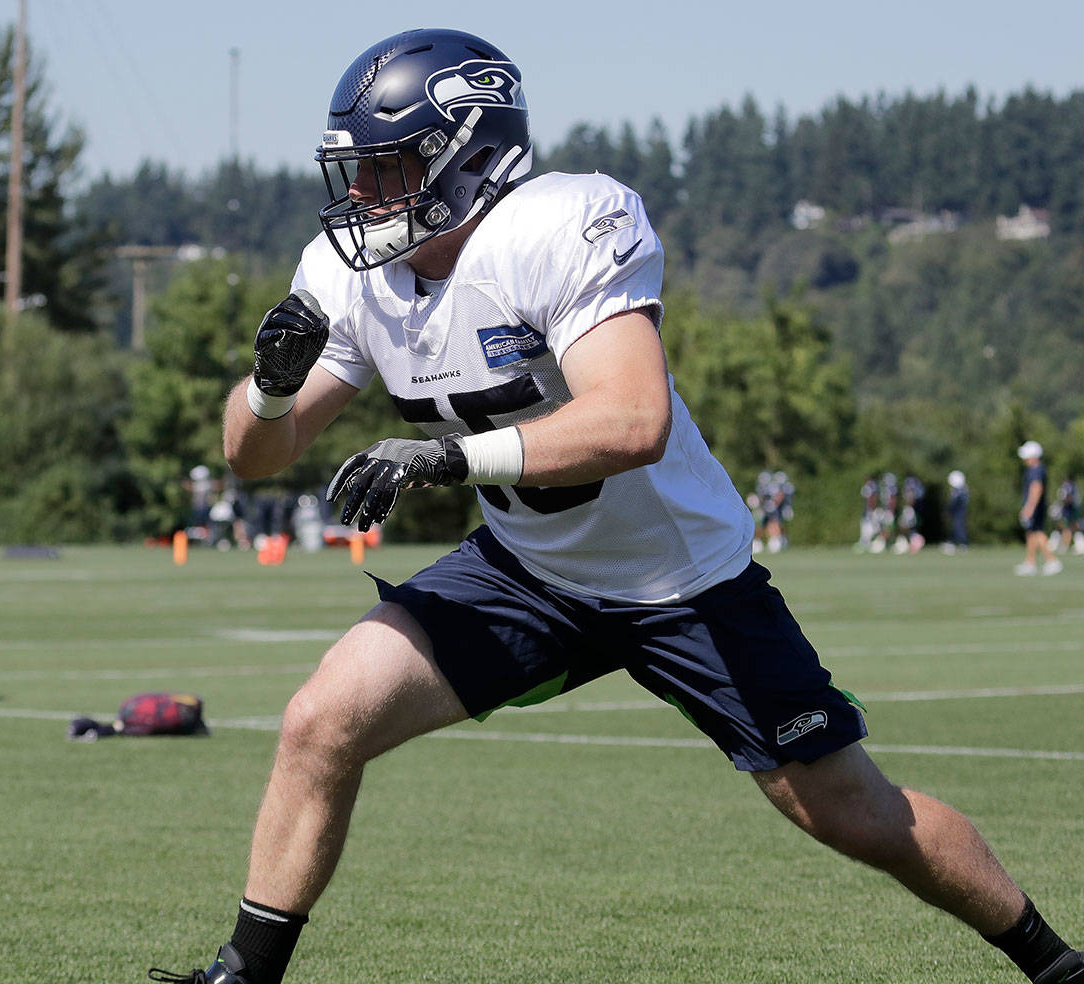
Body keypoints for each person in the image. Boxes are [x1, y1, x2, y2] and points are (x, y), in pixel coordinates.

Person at [148, 29, 1083, 984]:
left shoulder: (558, 226)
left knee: (848, 811)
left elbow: (633, 418)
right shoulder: (351, 272)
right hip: (531, 570)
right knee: (320, 719)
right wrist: (267, 389)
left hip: (680, 581)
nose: (365, 196)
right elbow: (255, 457)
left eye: (389, 169)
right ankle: (244, 975)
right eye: (358, 172)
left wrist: (444, 459)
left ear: (469, 154)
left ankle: (1053, 964)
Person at [1016, 441, 1063, 576]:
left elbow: (1036, 488)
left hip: (1035, 507)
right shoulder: (1036, 469)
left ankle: (1052, 560)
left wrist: (1029, 508)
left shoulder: (1036, 470)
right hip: (1035, 506)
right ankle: (1030, 562)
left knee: (1037, 533)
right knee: (1031, 533)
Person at [942, 469, 970, 554]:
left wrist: (948, 511)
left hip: (959, 512)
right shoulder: (963, 490)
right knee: (956, 527)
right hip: (959, 512)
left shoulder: (959, 491)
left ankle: (962, 544)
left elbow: (954, 503)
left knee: (958, 527)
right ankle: (952, 543)